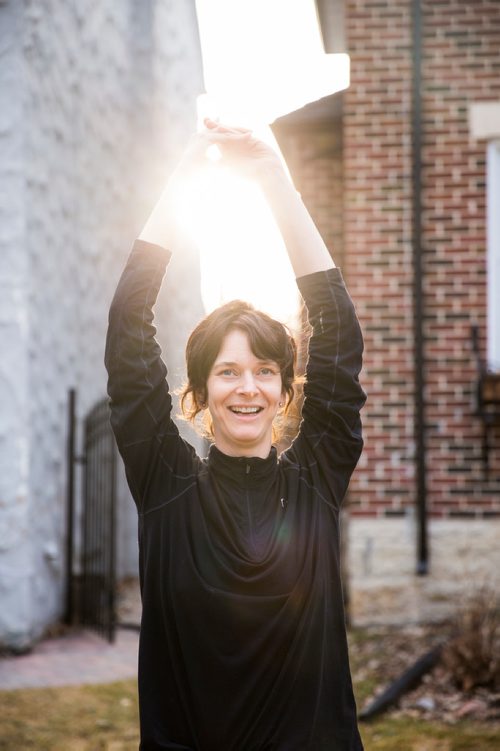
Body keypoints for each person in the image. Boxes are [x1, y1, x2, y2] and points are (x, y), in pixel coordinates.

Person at [105, 119, 366, 751]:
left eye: (264, 371)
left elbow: (337, 328)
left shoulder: (317, 478)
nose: (247, 388)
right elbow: (128, 327)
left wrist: (276, 179)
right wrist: (186, 172)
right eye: (227, 371)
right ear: (198, 393)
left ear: (283, 389)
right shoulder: (166, 484)